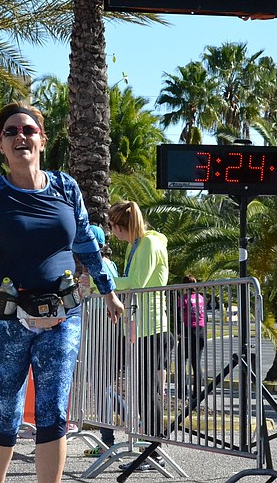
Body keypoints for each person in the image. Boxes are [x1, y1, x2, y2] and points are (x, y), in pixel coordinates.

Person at [0, 103, 123, 483]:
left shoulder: (67, 187)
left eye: (29, 130)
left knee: (53, 412)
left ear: (42, 140)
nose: (21, 137)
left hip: (61, 318)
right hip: (4, 321)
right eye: (11, 132)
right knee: (5, 414)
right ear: (1, 145)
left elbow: (85, 243)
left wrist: (109, 290)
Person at [107, 200, 170, 471]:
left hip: (151, 328)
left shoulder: (147, 244)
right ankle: (150, 446)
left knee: (147, 391)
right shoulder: (137, 246)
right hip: (140, 327)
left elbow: (135, 283)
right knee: (143, 390)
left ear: (123, 225)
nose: (112, 232)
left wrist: (103, 283)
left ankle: (154, 449)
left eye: (113, 226)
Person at [83, 223, 123, 457]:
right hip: (104, 334)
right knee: (102, 388)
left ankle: (108, 440)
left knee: (101, 388)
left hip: (104, 335)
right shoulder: (104, 265)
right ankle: (111, 436)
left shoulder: (102, 265)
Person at [177, 275, 206, 399]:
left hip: (189, 331)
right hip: (201, 331)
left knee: (180, 361)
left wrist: (179, 332)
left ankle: (182, 391)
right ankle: (197, 392)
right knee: (196, 362)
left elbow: (179, 318)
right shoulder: (201, 298)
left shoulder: (183, 299)